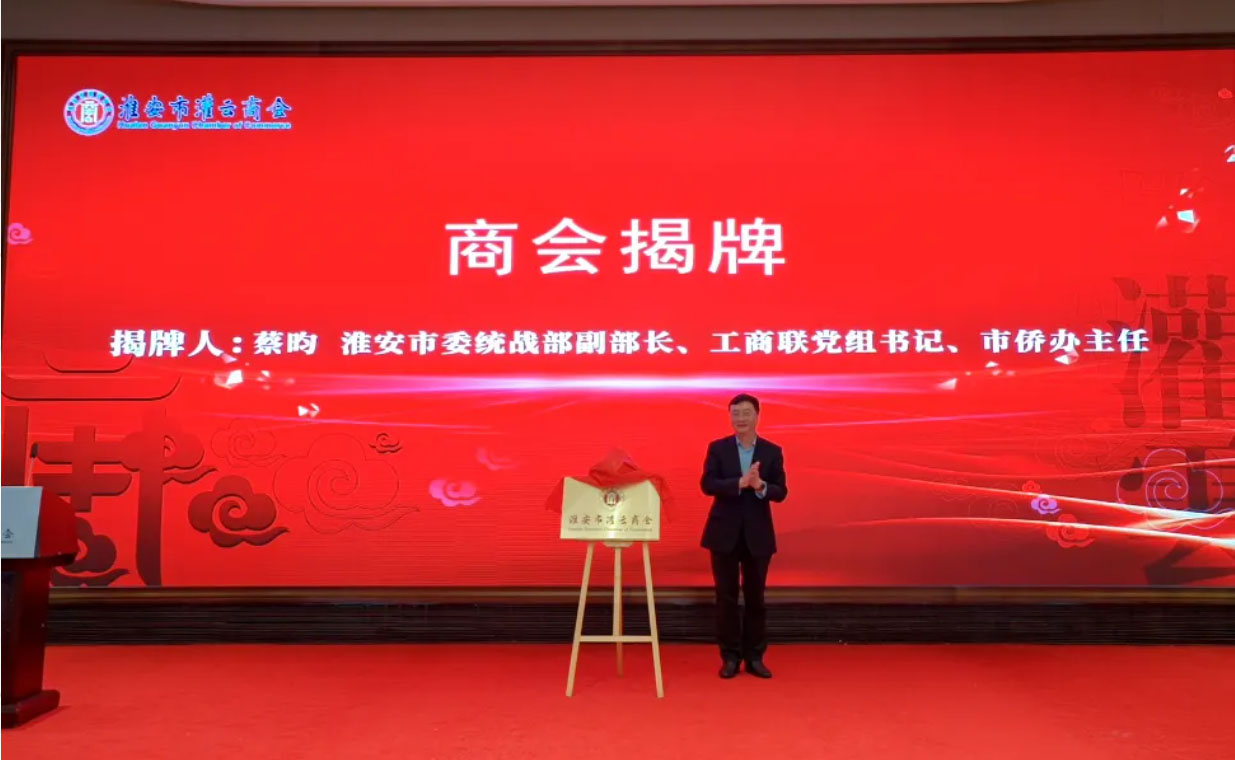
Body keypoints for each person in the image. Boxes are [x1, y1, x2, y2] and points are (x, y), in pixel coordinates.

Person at [699, 393, 788, 679]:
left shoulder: (772, 451)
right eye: (735, 413)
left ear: (757, 416)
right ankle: (729, 656)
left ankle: (755, 657)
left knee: (755, 598)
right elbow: (707, 484)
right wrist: (739, 482)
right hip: (723, 533)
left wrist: (760, 485)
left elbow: (781, 491)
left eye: (746, 413)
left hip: (758, 535)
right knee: (725, 598)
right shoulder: (718, 448)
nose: (741, 419)